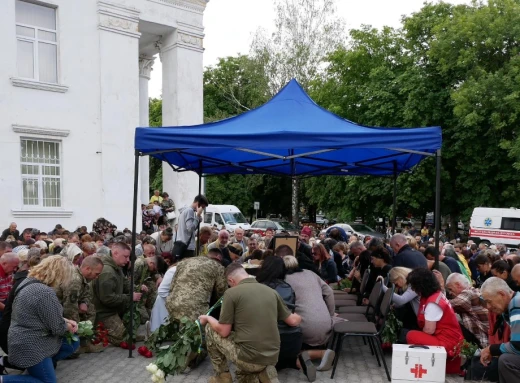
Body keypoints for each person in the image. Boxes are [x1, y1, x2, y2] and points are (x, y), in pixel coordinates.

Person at [199, 263, 301, 383]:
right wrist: (299, 316)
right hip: (272, 357)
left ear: (231, 280)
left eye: (229, 284)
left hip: (249, 359)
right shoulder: (271, 292)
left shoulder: (231, 293)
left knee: (211, 328)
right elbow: (293, 321)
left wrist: (208, 318)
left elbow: (224, 331)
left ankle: (223, 376)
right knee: (243, 376)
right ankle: (264, 372)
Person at [2, 256, 79, 382]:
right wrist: (69, 326)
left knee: (72, 343)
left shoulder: (28, 282)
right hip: (33, 345)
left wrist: (66, 321)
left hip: (20, 339)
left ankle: (44, 367)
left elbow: (44, 315)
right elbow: (58, 329)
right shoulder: (45, 292)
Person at [283, 256, 337, 373]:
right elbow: (329, 292)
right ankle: (310, 357)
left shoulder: (284, 280)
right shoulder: (310, 273)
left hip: (306, 328)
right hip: (327, 324)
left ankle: (314, 355)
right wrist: (331, 315)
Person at [405, 268, 464, 374]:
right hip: (451, 340)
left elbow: (429, 330)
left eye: (414, 286)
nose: (413, 289)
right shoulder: (436, 295)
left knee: (411, 336)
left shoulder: (433, 303)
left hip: (447, 343)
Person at [256, 257, 305, 376]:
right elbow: (290, 316)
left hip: (266, 341)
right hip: (291, 339)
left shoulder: (257, 288)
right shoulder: (287, 288)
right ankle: (294, 361)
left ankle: (270, 368)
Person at [91, 242, 143, 345]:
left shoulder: (115, 267)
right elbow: (107, 299)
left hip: (113, 309)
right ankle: (98, 333)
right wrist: (130, 297)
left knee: (129, 334)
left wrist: (136, 289)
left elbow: (125, 284)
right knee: (124, 339)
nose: (128, 260)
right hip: (104, 312)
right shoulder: (107, 272)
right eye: (125, 256)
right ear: (115, 253)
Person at [166, 250, 227, 322]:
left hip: (173, 304)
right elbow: (222, 293)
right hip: (195, 308)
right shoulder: (218, 267)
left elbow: (172, 286)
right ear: (219, 257)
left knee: (176, 330)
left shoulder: (185, 261)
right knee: (196, 332)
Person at [479, 277, 520, 382]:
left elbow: (517, 346)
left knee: (506, 361)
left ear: (502, 294)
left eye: (489, 301)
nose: (488, 306)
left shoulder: (516, 304)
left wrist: (491, 349)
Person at [445, 273, 489, 348]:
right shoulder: (473, 291)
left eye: (450, 289)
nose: (450, 293)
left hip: (484, 341)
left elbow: (447, 304)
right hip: (484, 338)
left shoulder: (469, 293)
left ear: (458, 285)